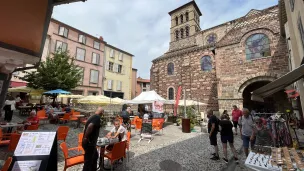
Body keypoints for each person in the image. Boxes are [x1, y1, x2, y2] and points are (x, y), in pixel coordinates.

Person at [82, 107, 104, 171]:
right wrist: (86, 138)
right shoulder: (97, 117)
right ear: (102, 113)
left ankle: (93, 169)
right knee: (88, 161)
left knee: (95, 156)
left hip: (90, 143)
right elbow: (90, 126)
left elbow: (85, 127)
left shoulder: (92, 116)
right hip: (89, 143)